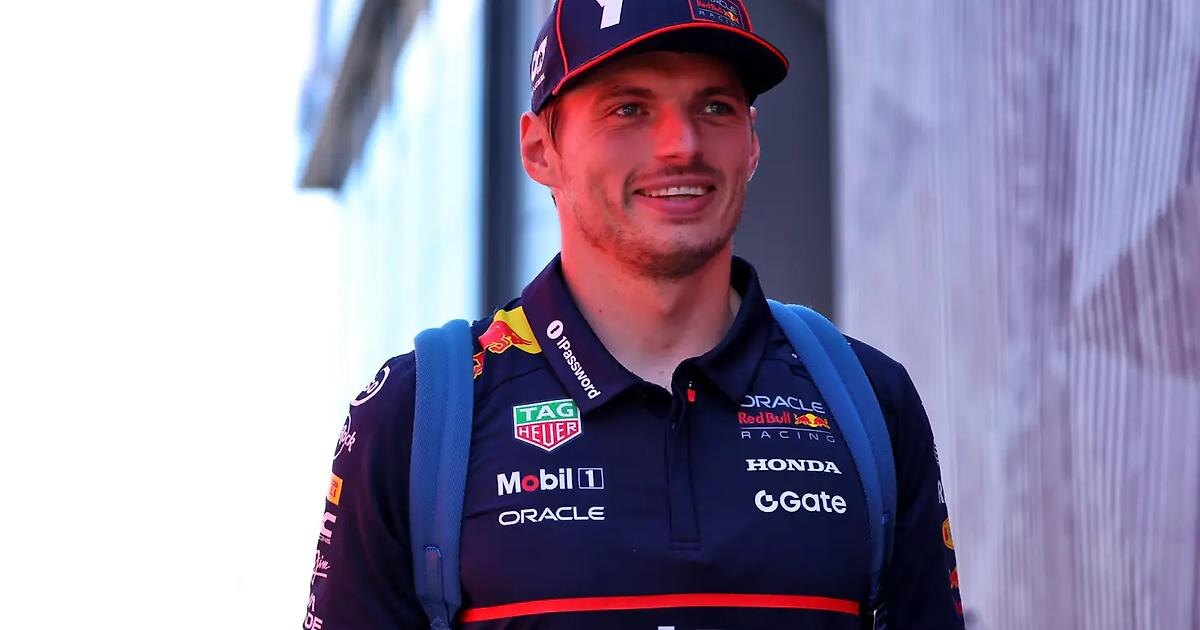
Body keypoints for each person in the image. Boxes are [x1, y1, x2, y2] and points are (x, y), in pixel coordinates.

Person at [303, 1, 965, 628]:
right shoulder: (417, 415)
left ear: (752, 144)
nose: (682, 144)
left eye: (715, 106)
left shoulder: (867, 400)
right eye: (629, 108)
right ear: (539, 150)